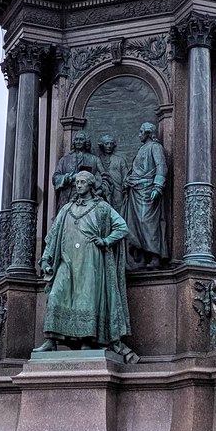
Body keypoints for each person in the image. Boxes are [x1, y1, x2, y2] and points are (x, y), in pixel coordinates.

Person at [35, 171, 131, 355]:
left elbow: (122, 227)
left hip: (91, 262)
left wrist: (106, 240)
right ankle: (50, 341)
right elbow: (53, 237)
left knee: (87, 300)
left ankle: (88, 340)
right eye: (77, 182)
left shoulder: (102, 208)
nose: (78, 185)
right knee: (55, 295)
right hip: (67, 261)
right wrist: (46, 259)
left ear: (90, 185)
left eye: (82, 182)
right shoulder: (66, 209)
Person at [125, 122, 170, 267]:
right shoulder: (142, 148)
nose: (139, 134)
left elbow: (161, 166)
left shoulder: (155, 147)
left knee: (147, 222)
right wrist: (128, 179)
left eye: (141, 131)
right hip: (136, 190)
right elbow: (136, 169)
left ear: (148, 133)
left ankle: (155, 255)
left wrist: (158, 186)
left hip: (148, 190)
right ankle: (142, 255)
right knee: (133, 224)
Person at [52, 132, 103, 208]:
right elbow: (55, 178)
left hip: (88, 198)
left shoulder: (94, 159)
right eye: (76, 139)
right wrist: (70, 178)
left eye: (81, 139)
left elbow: (105, 177)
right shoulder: (65, 160)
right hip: (67, 197)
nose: (78, 142)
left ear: (86, 142)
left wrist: (99, 190)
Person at [96, 134, 130, 213]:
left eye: (111, 144)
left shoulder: (120, 160)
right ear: (102, 145)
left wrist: (126, 184)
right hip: (102, 190)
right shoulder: (97, 159)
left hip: (118, 190)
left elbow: (126, 175)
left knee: (119, 209)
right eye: (106, 144)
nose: (109, 146)